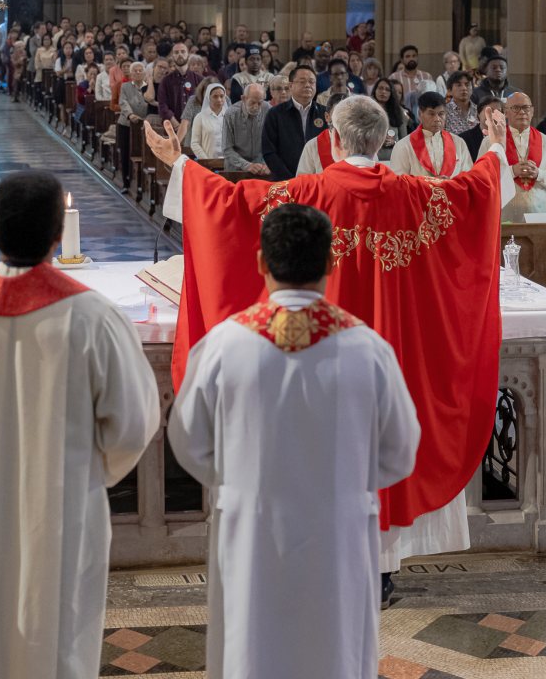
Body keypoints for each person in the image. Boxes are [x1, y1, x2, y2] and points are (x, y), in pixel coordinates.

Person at [147, 95, 517, 605]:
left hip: (309, 364)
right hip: (383, 357)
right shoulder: (416, 196)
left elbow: (232, 205)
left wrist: (181, 164)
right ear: (383, 138)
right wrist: (494, 146)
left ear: (336, 140)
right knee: (377, 452)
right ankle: (380, 571)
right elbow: (475, 191)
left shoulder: (306, 192)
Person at [0, 170, 159, 679]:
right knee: (58, 635)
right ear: (55, 236)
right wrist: (89, 475)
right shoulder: (93, 316)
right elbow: (134, 423)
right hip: (64, 511)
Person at [168, 203, 419, 679]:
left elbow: (188, 440)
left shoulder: (224, 345)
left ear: (261, 262)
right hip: (339, 531)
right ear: (330, 263)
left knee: (252, 650)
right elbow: (400, 451)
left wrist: (237, 479)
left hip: (251, 530)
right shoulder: (368, 349)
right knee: (335, 651)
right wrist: (351, 480)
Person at [499, 92, 546, 222]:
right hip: (504, 213)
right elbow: (482, 177)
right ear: (506, 112)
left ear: (532, 111)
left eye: (526, 108)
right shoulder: (492, 140)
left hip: (537, 213)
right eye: (516, 108)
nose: (522, 112)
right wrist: (512, 171)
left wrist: (539, 173)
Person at [261, 64, 326, 180]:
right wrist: (290, 180)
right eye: (302, 81)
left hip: (318, 181)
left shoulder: (324, 113)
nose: (307, 85)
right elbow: (269, 151)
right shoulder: (275, 114)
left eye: (311, 82)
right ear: (291, 86)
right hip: (284, 182)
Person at [390, 91, 473, 178]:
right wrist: (431, 184)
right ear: (420, 114)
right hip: (420, 191)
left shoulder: (459, 143)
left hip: (451, 191)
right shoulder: (404, 146)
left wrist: (450, 184)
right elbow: (398, 183)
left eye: (441, 114)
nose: (437, 119)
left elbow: (468, 178)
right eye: (431, 114)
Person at [221, 82, 270, 174]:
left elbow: (272, 143)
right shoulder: (231, 114)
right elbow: (227, 149)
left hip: (261, 169)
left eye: (259, 103)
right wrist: (247, 165)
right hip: (235, 170)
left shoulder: (268, 109)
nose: (256, 107)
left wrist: (265, 164)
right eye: (252, 102)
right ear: (243, 98)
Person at [296, 94, 348, 175]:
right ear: (327, 117)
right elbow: (303, 182)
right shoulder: (313, 146)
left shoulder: (363, 143)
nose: (342, 119)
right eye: (338, 114)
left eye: (348, 114)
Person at [157, 42, 202, 123]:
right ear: (172, 56)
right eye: (176, 52)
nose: (180, 54)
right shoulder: (165, 81)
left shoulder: (200, 80)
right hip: (173, 126)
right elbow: (162, 105)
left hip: (195, 126)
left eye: (183, 51)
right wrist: (174, 122)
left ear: (188, 55)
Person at [387, 45, 435, 117]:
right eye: (408, 56)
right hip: (401, 115)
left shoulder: (426, 76)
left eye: (414, 56)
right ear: (402, 60)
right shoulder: (394, 77)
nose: (411, 58)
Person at [189, 82, 228, 160]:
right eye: (215, 96)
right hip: (208, 163)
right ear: (208, 97)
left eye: (221, 96)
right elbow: (195, 143)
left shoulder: (230, 117)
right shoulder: (200, 117)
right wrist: (207, 160)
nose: (219, 99)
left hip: (228, 163)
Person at [371, 77, 410, 146]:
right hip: (370, 154)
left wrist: (394, 142)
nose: (383, 92)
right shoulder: (366, 109)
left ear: (391, 93)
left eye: (387, 90)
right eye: (380, 88)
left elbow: (404, 141)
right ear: (375, 90)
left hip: (392, 154)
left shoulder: (399, 111)